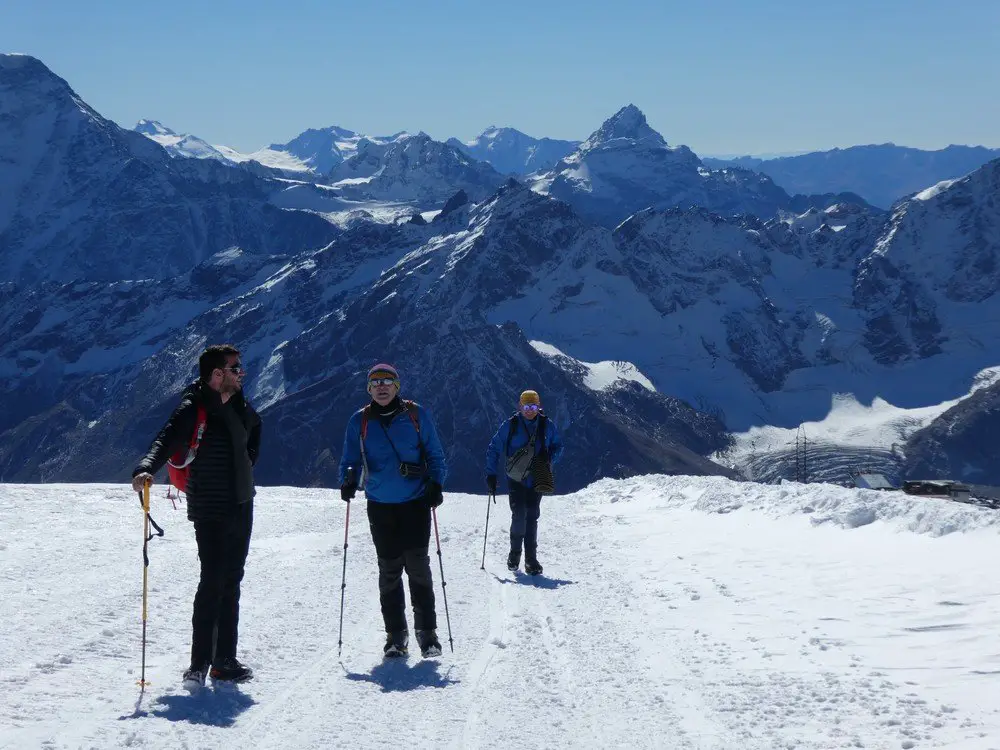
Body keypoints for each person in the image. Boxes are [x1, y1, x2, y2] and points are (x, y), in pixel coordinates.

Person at [131, 344, 261, 690]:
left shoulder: (238, 402)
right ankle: (198, 663)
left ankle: (223, 661)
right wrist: (146, 469)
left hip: (241, 503)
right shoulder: (194, 407)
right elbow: (165, 438)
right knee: (213, 580)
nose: (240, 373)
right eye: (235, 368)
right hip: (210, 505)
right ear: (217, 374)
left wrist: (246, 466)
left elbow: (255, 431)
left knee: (231, 580)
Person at [339, 363, 448, 658]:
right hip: (379, 506)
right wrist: (347, 480)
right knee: (389, 571)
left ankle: (427, 635)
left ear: (397, 386)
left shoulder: (415, 415)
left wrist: (436, 484)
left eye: (388, 381)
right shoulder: (359, 422)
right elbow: (349, 459)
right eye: (376, 383)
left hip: (415, 504)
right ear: (368, 389)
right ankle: (395, 637)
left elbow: (435, 455)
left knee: (417, 568)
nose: (382, 387)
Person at [485, 390, 563, 576]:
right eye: (526, 407)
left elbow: (558, 445)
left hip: (537, 478)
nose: (530, 410)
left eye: (533, 407)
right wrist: (491, 474)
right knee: (519, 514)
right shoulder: (511, 425)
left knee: (532, 516)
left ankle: (530, 560)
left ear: (539, 407)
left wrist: (550, 457)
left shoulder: (546, 425)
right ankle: (515, 555)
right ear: (520, 407)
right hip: (516, 479)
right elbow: (494, 448)